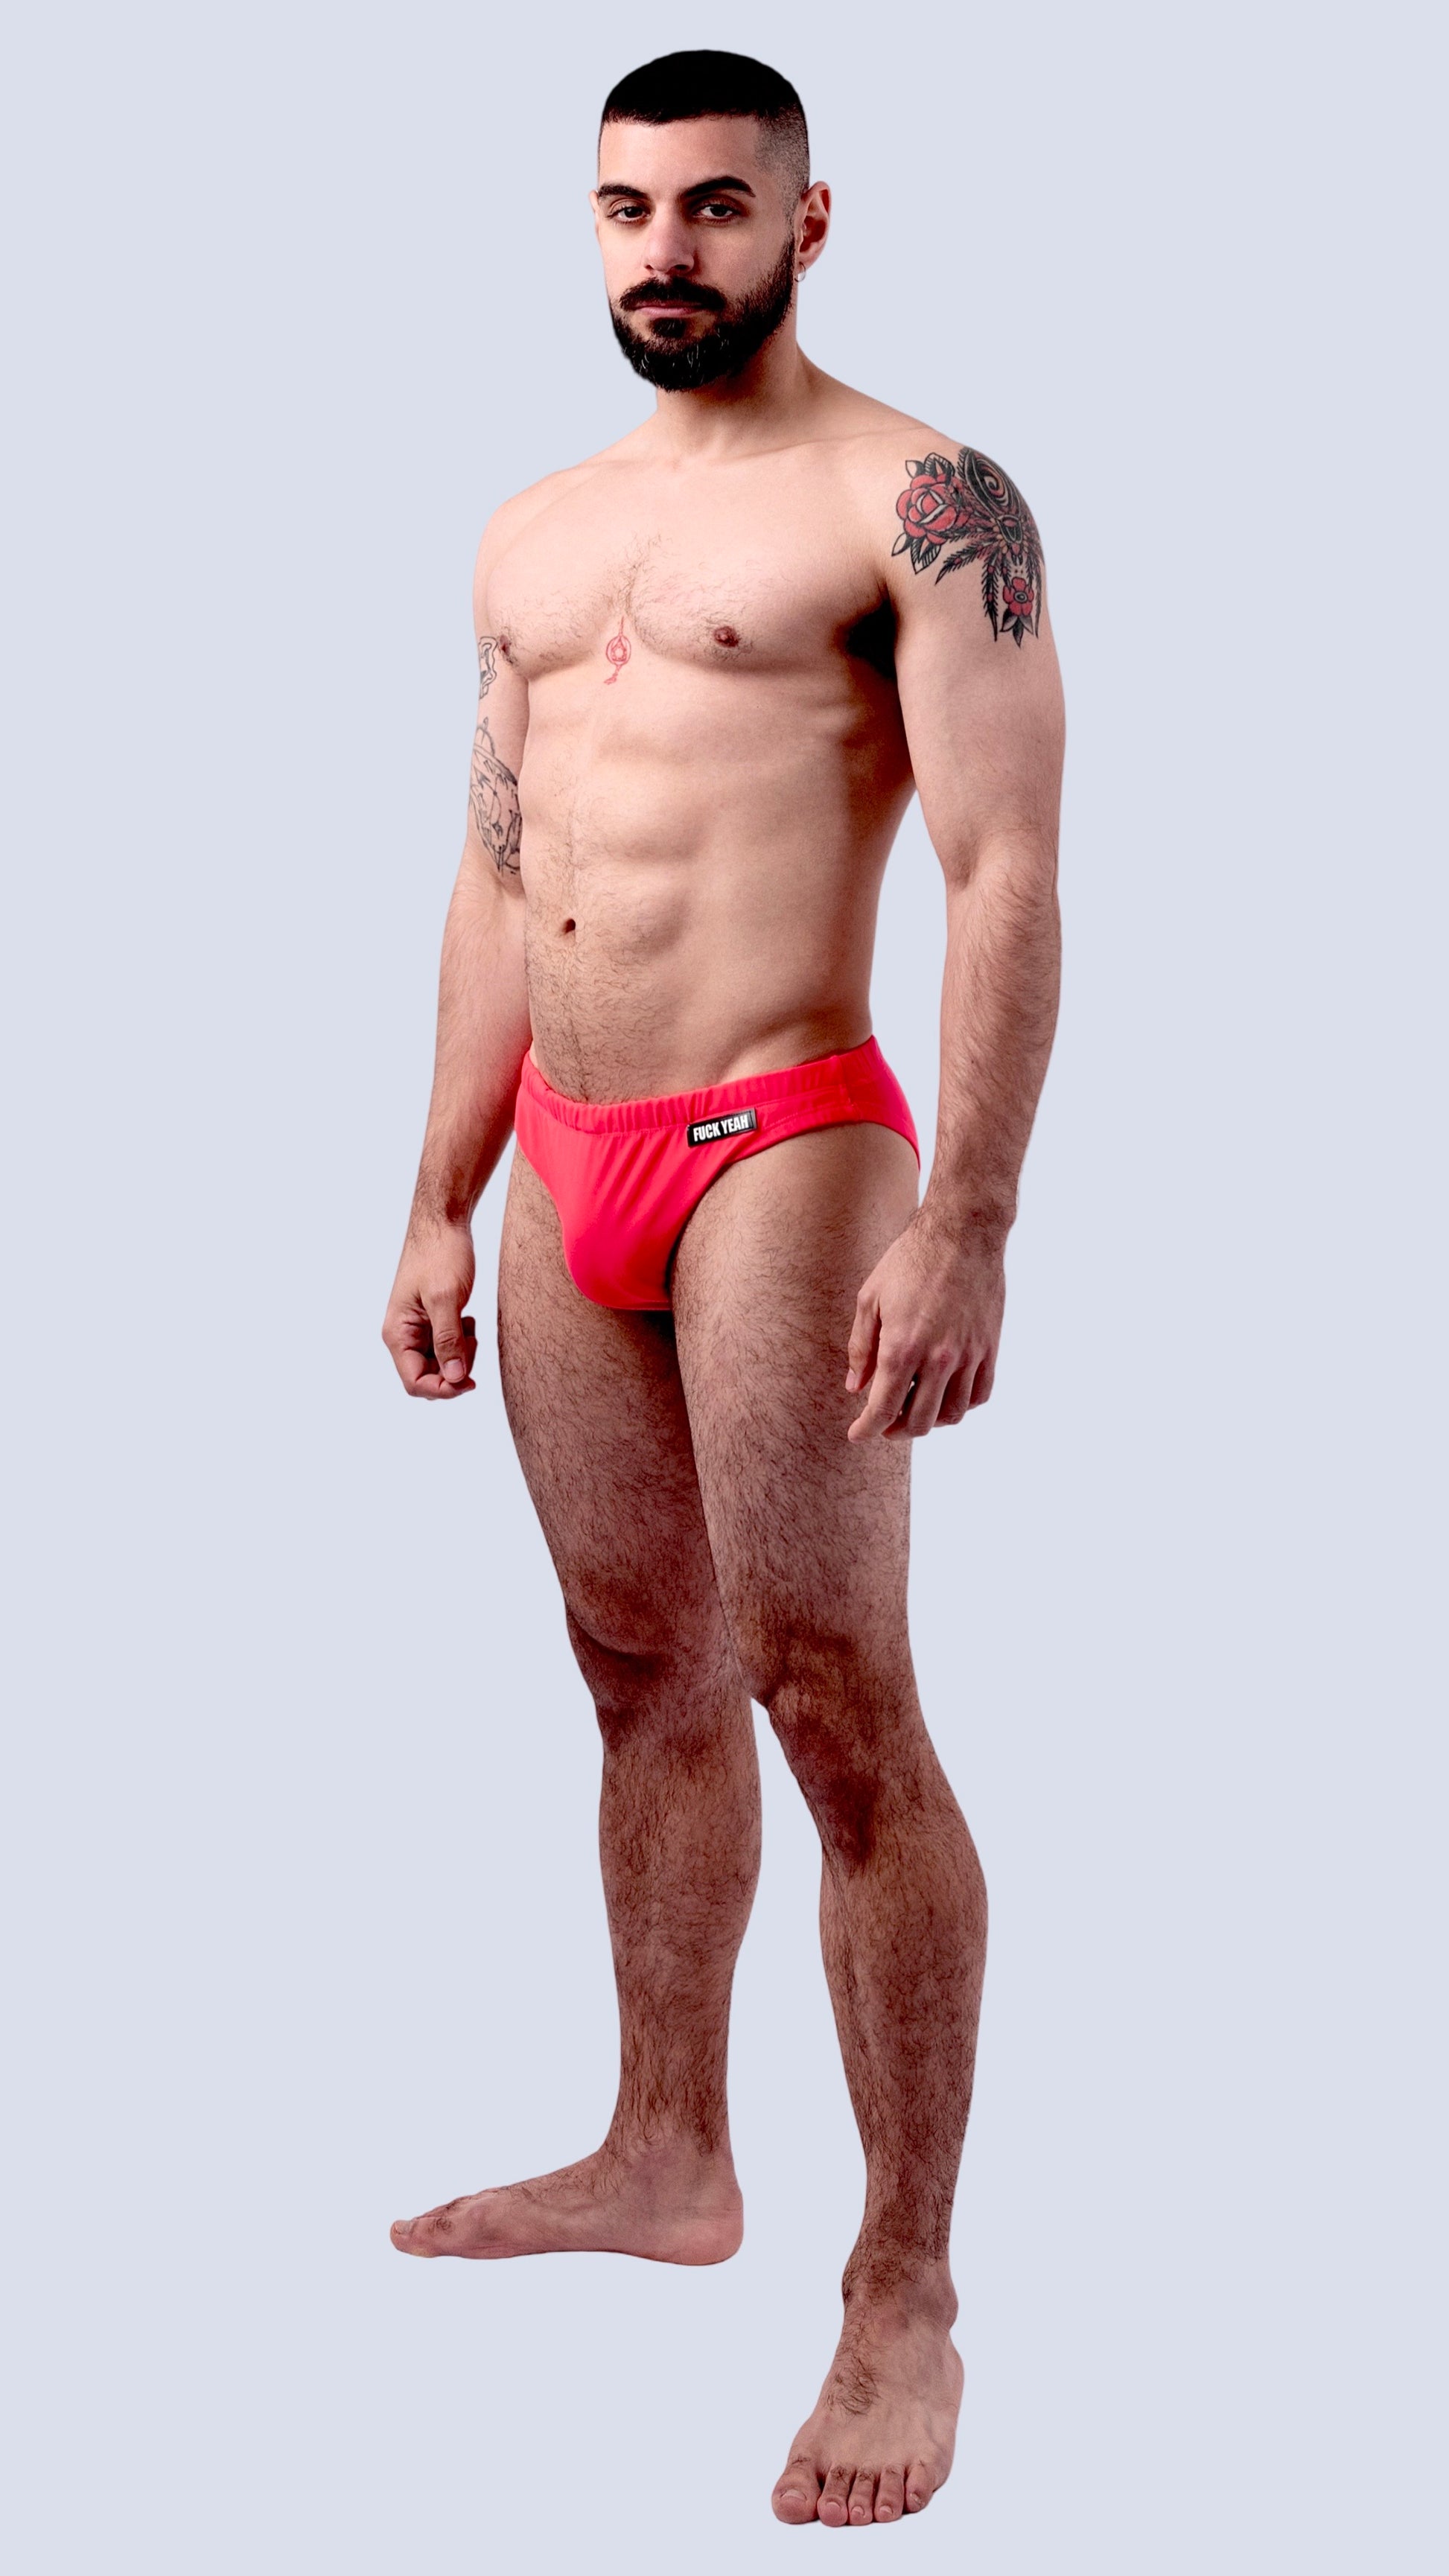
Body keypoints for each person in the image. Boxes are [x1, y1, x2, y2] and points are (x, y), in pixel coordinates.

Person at [381, 48, 1064, 2531]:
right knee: (632, 1668)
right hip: (564, 1159)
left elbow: (1002, 869)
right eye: (624, 210)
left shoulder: (917, 496)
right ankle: (667, 2147)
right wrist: (438, 1191)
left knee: (830, 1695)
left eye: (710, 207)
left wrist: (969, 1216)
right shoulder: (532, 532)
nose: (663, 249)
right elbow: (496, 872)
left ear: (805, 220)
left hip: (789, 1136)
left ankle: (905, 2289)